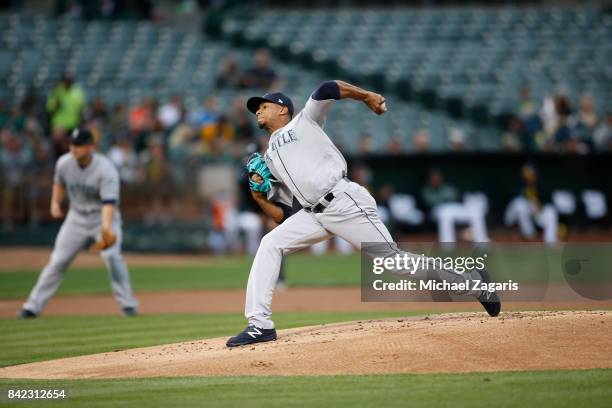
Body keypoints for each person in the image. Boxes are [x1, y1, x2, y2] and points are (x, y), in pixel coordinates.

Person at [225, 80, 501, 347]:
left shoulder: (304, 121)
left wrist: (367, 96)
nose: (258, 110)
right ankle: (260, 324)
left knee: (394, 262)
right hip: (312, 214)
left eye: (263, 105)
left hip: (344, 202)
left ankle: (476, 283)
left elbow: (328, 88)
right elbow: (283, 215)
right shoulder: (270, 156)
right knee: (270, 242)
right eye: (256, 108)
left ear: (283, 108)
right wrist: (259, 197)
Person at [18, 129, 139, 318]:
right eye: (72, 145)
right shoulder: (64, 163)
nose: (75, 149)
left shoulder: (106, 169)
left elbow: (109, 203)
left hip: (103, 218)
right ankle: (32, 306)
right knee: (57, 261)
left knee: (113, 258)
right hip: (76, 218)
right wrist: (55, 204)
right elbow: (58, 183)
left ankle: (128, 305)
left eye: (79, 145)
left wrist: (106, 227)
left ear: (91, 146)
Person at [421, 168, 489, 245]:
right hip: (437, 210)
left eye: (437, 177)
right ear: (429, 179)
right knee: (445, 214)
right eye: (433, 178)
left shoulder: (448, 187)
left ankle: (482, 242)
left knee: (475, 212)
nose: (436, 179)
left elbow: (457, 198)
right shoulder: (426, 189)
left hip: (453, 207)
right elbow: (430, 203)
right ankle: (448, 246)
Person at [504, 164, 558, 244]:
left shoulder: (541, 184)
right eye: (525, 173)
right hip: (517, 213)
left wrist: (540, 205)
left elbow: (549, 200)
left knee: (551, 211)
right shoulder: (519, 183)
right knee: (519, 204)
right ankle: (529, 234)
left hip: (537, 211)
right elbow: (513, 197)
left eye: (529, 173)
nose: (527, 175)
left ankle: (550, 239)